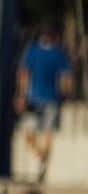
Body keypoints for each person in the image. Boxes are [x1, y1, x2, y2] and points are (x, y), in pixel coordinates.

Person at [15, 26, 73, 182]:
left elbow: (24, 74)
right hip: (52, 99)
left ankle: (39, 155)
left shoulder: (32, 52)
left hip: (32, 98)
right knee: (48, 133)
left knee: (28, 132)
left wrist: (21, 95)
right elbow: (66, 77)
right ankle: (43, 159)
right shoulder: (59, 54)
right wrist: (66, 94)